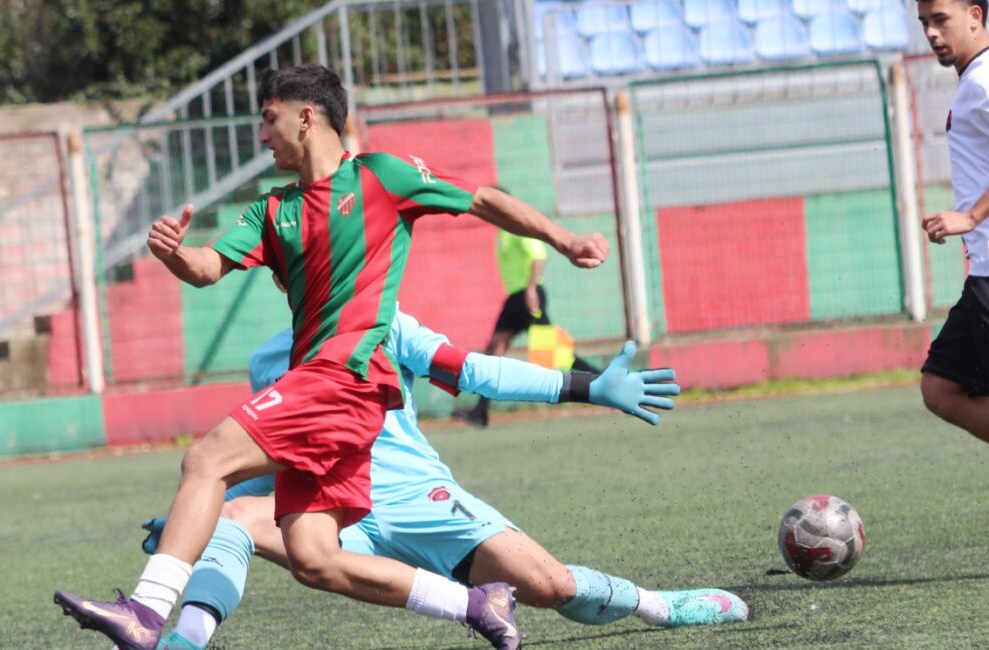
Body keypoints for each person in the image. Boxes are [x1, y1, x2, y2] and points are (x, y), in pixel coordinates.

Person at [53, 64, 609, 650]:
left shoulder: (381, 176)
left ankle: (147, 610)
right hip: (325, 388)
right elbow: (207, 269)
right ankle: (476, 603)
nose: (262, 137)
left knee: (205, 460)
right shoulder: (269, 211)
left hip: (345, 377)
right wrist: (175, 254)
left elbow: (481, 200)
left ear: (306, 116)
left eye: (268, 121)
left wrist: (564, 240)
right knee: (314, 558)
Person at [139, 310, 746, 649]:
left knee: (551, 586)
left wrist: (587, 387)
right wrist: (194, 520)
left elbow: (477, 372)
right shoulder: (269, 361)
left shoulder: (387, 324)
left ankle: (660, 606)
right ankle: (184, 642)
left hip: (418, 497)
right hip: (327, 512)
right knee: (230, 518)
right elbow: (267, 451)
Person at [918, 0, 989, 444]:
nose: (931, 32)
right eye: (924, 22)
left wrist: (971, 215)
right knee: (941, 387)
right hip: (982, 270)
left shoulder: (983, 81)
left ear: (975, 16)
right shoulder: (973, 82)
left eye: (940, 19)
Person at [454, 229, 599, 428]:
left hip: (528, 296)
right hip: (515, 298)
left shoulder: (516, 228)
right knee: (493, 349)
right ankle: (480, 411)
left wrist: (531, 289)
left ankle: (604, 380)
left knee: (556, 354)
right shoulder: (502, 233)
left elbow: (539, 255)